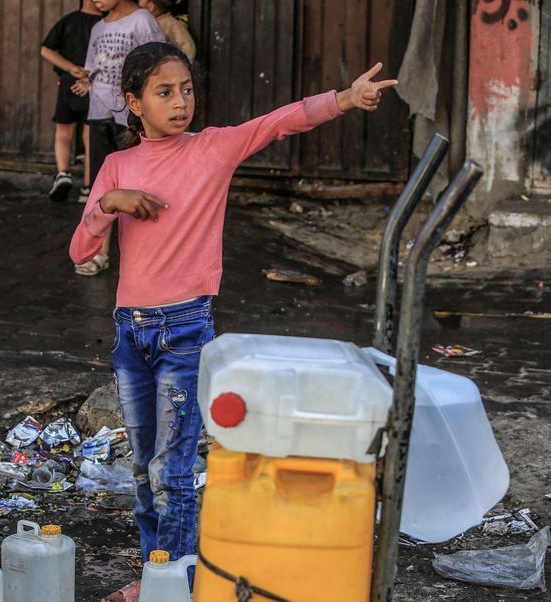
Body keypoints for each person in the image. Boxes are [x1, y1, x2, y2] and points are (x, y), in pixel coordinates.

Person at [69, 42, 396, 582]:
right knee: (142, 468)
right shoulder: (116, 167)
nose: (180, 103)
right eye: (165, 93)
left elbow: (280, 122)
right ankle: (158, 574)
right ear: (134, 102)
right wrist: (109, 204)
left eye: (187, 90)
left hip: (186, 330)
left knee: (171, 471)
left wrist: (345, 98)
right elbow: (81, 252)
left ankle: (172, 579)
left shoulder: (212, 149)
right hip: (131, 335)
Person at [70, 0, 163, 276]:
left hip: (132, 117)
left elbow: (158, 65)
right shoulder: (98, 28)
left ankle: (150, 255)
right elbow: (92, 68)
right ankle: (99, 252)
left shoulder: (143, 20)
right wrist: (85, 82)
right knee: (101, 184)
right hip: (100, 113)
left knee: (141, 183)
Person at [41, 1, 102, 202]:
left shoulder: (68, 21)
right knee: (89, 137)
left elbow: (46, 50)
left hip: (68, 83)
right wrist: (88, 78)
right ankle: (87, 186)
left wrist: (69, 68)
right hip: (94, 85)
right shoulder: (106, 23)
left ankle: (63, 173)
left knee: (63, 132)